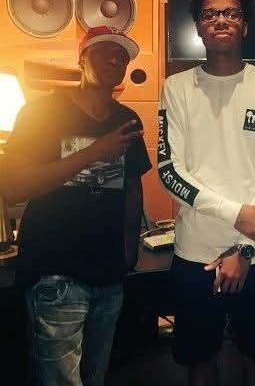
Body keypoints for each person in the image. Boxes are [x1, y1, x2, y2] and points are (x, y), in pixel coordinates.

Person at [158, 0, 255, 386]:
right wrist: (236, 215)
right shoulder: (176, 88)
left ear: (244, 25)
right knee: (199, 362)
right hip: (196, 255)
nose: (221, 20)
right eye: (210, 13)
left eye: (231, 13)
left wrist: (245, 247)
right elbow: (169, 171)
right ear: (198, 26)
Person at [0, 25, 151, 385]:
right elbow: (14, 187)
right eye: (103, 51)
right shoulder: (41, 112)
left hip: (109, 273)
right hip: (56, 272)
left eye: (122, 55)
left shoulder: (127, 119)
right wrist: (94, 152)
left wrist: (129, 251)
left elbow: (132, 186)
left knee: (95, 376)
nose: (114, 59)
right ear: (82, 59)